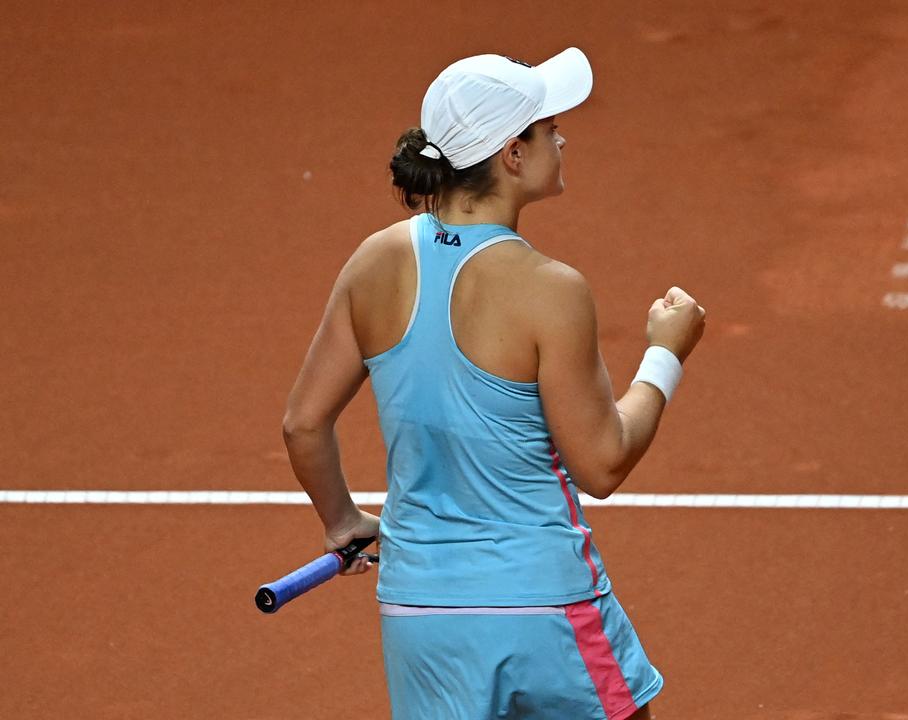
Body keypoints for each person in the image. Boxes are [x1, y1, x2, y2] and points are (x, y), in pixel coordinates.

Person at [281, 47, 706, 719]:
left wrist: (343, 521)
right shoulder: (550, 290)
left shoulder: (374, 263)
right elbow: (603, 461)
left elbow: (303, 425)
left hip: (420, 615)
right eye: (547, 128)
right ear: (512, 154)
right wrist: (665, 354)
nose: (561, 137)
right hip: (546, 608)